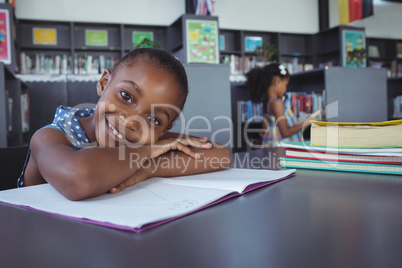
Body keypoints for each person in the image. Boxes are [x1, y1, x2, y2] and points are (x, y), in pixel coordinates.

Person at [18, 48, 232, 200]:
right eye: (126, 97)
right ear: (104, 83)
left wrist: (149, 168)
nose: (131, 122)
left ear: (162, 131)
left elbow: (220, 155)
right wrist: (146, 151)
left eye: (154, 119)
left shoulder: (142, 139)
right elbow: (78, 177)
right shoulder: (51, 136)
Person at [245, 63, 315, 147]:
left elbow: (265, 128)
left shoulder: (266, 102)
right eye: (285, 85)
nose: (285, 89)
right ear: (277, 82)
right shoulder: (277, 104)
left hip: (271, 145)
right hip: (281, 148)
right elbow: (285, 132)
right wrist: (306, 123)